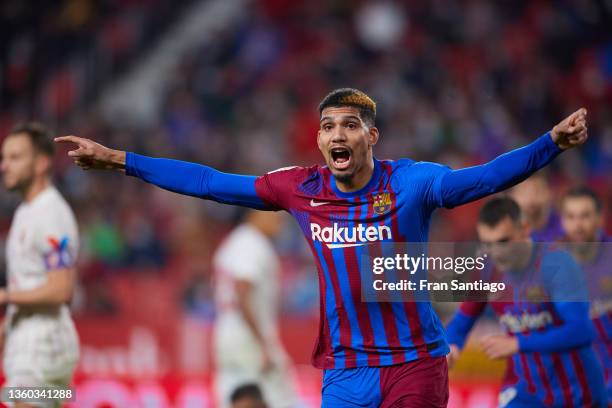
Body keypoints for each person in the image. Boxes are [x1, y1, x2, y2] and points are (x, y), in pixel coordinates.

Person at [56, 88, 588, 407]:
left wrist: (550, 145)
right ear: (318, 140)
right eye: (328, 126)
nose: (338, 133)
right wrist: (123, 160)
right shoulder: (299, 188)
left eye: (351, 125)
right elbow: (210, 181)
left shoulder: (412, 184)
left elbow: (487, 178)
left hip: (415, 364)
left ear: (371, 137)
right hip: (346, 370)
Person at [445, 197, 607, 407]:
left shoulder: (557, 264)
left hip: (578, 394)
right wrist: (451, 345)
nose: (496, 252)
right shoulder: (487, 270)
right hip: (529, 393)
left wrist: (518, 343)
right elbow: (462, 320)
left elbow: (581, 331)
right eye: (487, 243)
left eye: (503, 241)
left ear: (524, 229)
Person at [0, 123, 80, 408]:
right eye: (3, 158)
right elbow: (30, 281)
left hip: (44, 347)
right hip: (28, 345)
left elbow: (61, 289)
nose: (4, 166)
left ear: (42, 163)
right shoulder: (26, 212)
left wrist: (6, 296)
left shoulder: (51, 215)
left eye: (15, 157)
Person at [214, 210, 298, 408]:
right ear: (255, 213)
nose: (280, 221)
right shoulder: (252, 243)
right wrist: (263, 344)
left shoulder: (234, 241)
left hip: (227, 333)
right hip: (249, 339)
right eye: (275, 214)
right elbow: (242, 289)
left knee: (235, 399)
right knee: (282, 399)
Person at [559, 187, 612, 402]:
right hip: (568, 383)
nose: (578, 225)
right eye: (571, 217)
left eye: (585, 216)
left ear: (600, 218)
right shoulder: (548, 261)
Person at [509, 171, 563, 242]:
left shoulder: (564, 225)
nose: (531, 198)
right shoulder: (505, 232)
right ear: (512, 195)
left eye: (538, 191)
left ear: (549, 193)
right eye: (524, 192)